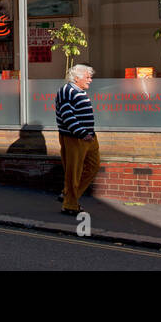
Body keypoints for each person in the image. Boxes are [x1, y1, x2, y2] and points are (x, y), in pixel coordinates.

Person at [56, 63, 100, 215]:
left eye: (90, 77)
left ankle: (68, 194)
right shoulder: (67, 91)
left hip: (89, 137)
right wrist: (82, 133)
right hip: (75, 137)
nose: (90, 80)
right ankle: (70, 205)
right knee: (73, 172)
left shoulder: (79, 91)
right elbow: (67, 115)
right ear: (77, 78)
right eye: (87, 77)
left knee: (93, 167)